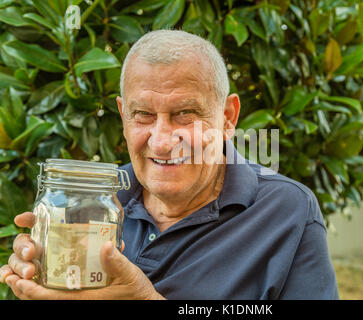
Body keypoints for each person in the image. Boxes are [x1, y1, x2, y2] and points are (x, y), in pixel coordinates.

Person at [0, 30, 339, 300]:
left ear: (228, 117)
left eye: (185, 114)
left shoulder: (288, 211)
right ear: (123, 115)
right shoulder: (93, 204)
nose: (162, 140)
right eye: (143, 115)